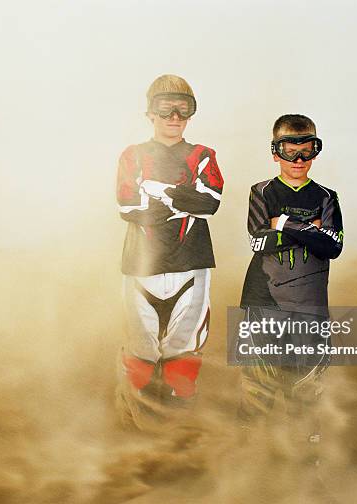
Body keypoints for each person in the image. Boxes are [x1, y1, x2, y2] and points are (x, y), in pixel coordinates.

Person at [115, 75, 224, 427]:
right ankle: (134, 428)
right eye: (165, 108)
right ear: (150, 112)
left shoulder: (204, 155)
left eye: (183, 108)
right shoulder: (132, 156)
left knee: (183, 353)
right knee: (140, 353)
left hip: (191, 264)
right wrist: (182, 197)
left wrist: (158, 191)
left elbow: (210, 203)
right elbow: (129, 206)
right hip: (140, 266)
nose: (174, 116)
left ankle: (176, 434)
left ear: (192, 113)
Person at [237, 114, 343, 459]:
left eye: (307, 150)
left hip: (309, 305)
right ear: (275, 153)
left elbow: (333, 247)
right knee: (258, 386)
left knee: (306, 389)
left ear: (316, 151)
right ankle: (247, 464)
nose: (298, 160)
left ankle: (305, 470)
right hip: (262, 300)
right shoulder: (261, 191)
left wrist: (282, 222)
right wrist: (309, 228)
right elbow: (258, 240)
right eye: (289, 150)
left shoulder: (327, 197)